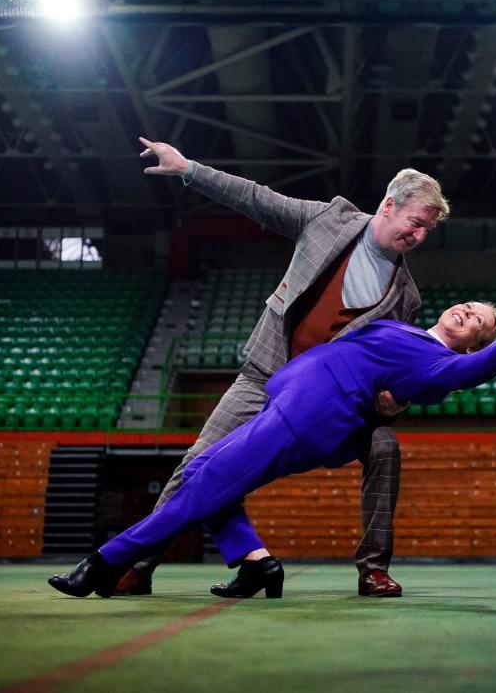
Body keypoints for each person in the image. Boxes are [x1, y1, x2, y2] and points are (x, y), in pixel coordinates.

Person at [48, 299, 496, 599]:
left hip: (307, 421)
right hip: (287, 405)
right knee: (203, 476)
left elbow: (473, 371)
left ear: (474, 341)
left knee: (201, 488)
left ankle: (101, 561)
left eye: (480, 323)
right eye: (468, 306)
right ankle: (257, 564)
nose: (468, 313)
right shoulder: (404, 331)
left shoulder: (440, 367)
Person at [114, 138, 447, 598]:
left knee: (385, 446)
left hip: (330, 409)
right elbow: (255, 197)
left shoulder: (405, 297)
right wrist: (188, 167)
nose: (420, 237)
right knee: (196, 463)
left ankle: (373, 569)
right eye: (416, 224)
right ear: (389, 205)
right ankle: (139, 565)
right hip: (263, 377)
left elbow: (393, 375)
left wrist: (392, 404)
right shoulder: (328, 220)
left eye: (428, 230)